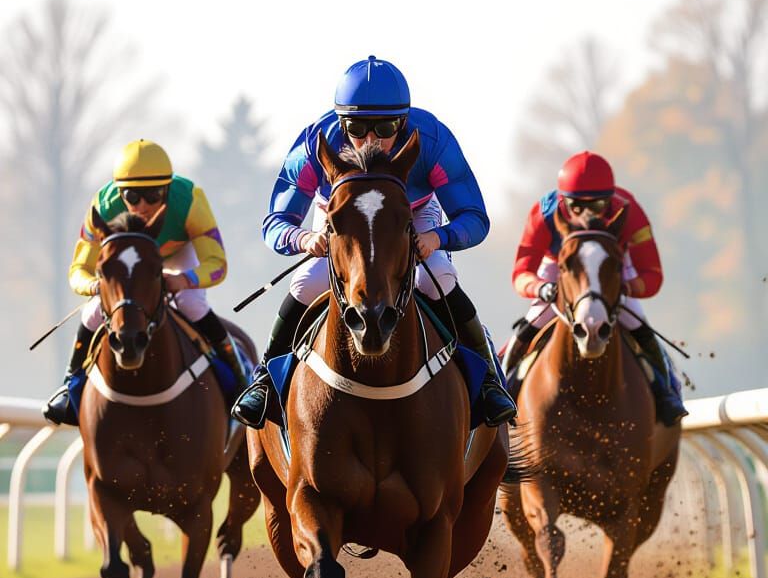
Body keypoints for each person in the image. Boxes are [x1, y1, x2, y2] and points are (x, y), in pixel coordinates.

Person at [232, 55, 516, 428]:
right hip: (343, 214)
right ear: (340, 123)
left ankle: (489, 382)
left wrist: (438, 236)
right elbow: (275, 223)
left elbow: (474, 218)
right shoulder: (314, 144)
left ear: (404, 121)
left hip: (410, 212)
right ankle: (264, 381)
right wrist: (304, 238)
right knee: (307, 283)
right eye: (357, 127)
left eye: (385, 127)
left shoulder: (432, 141)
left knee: (436, 277)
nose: (371, 139)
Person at [43, 139, 248, 425]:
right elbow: (79, 268)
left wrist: (184, 279)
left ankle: (240, 382)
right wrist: (95, 286)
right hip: (128, 266)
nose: (143, 205)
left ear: (167, 189)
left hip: (178, 255)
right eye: (132, 196)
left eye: (153, 195)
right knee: (92, 312)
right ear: (120, 193)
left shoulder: (190, 200)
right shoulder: (102, 206)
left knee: (191, 302)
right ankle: (69, 385)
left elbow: (217, 264)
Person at [505, 150, 687, 426]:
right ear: (564, 200)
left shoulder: (630, 210)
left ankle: (666, 394)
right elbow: (521, 273)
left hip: (611, 267)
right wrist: (541, 288)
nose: (587, 213)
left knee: (640, 327)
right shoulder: (543, 213)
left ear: (610, 199)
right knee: (527, 329)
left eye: (598, 205)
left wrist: (624, 287)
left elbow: (652, 275)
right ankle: (502, 393)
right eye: (576, 206)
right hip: (559, 266)